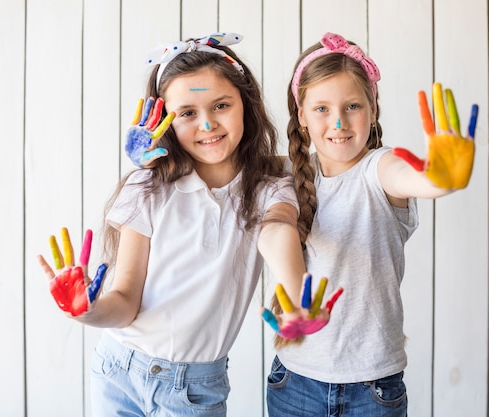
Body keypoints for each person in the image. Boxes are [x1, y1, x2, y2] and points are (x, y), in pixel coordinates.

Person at [37, 32, 335, 417]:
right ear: (163, 121)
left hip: (193, 391)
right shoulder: (147, 187)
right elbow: (125, 302)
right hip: (118, 371)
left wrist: (297, 297)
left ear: (246, 105)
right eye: (187, 113)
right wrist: (85, 311)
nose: (208, 123)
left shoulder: (267, 190)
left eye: (221, 105)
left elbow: (278, 231)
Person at [264, 32, 478, 417]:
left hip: (373, 389)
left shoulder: (379, 168)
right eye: (322, 109)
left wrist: (441, 178)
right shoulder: (290, 175)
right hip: (294, 382)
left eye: (352, 106)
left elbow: (409, 176)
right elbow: (227, 167)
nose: (339, 121)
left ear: (373, 108)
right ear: (301, 116)